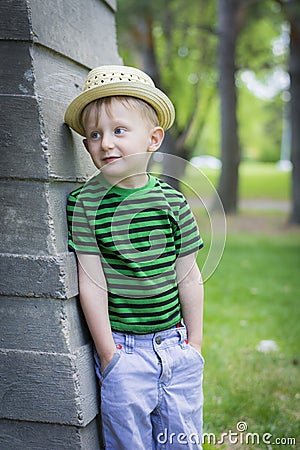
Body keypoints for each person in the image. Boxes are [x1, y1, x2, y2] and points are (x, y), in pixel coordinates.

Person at [65, 65, 205, 450]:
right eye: (94, 135)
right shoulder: (85, 204)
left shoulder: (173, 201)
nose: (106, 143)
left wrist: (194, 346)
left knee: (183, 441)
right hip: (124, 352)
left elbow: (189, 277)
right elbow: (91, 282)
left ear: (153, 138)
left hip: (175, 347)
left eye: (119, 131)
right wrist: (109, 355)